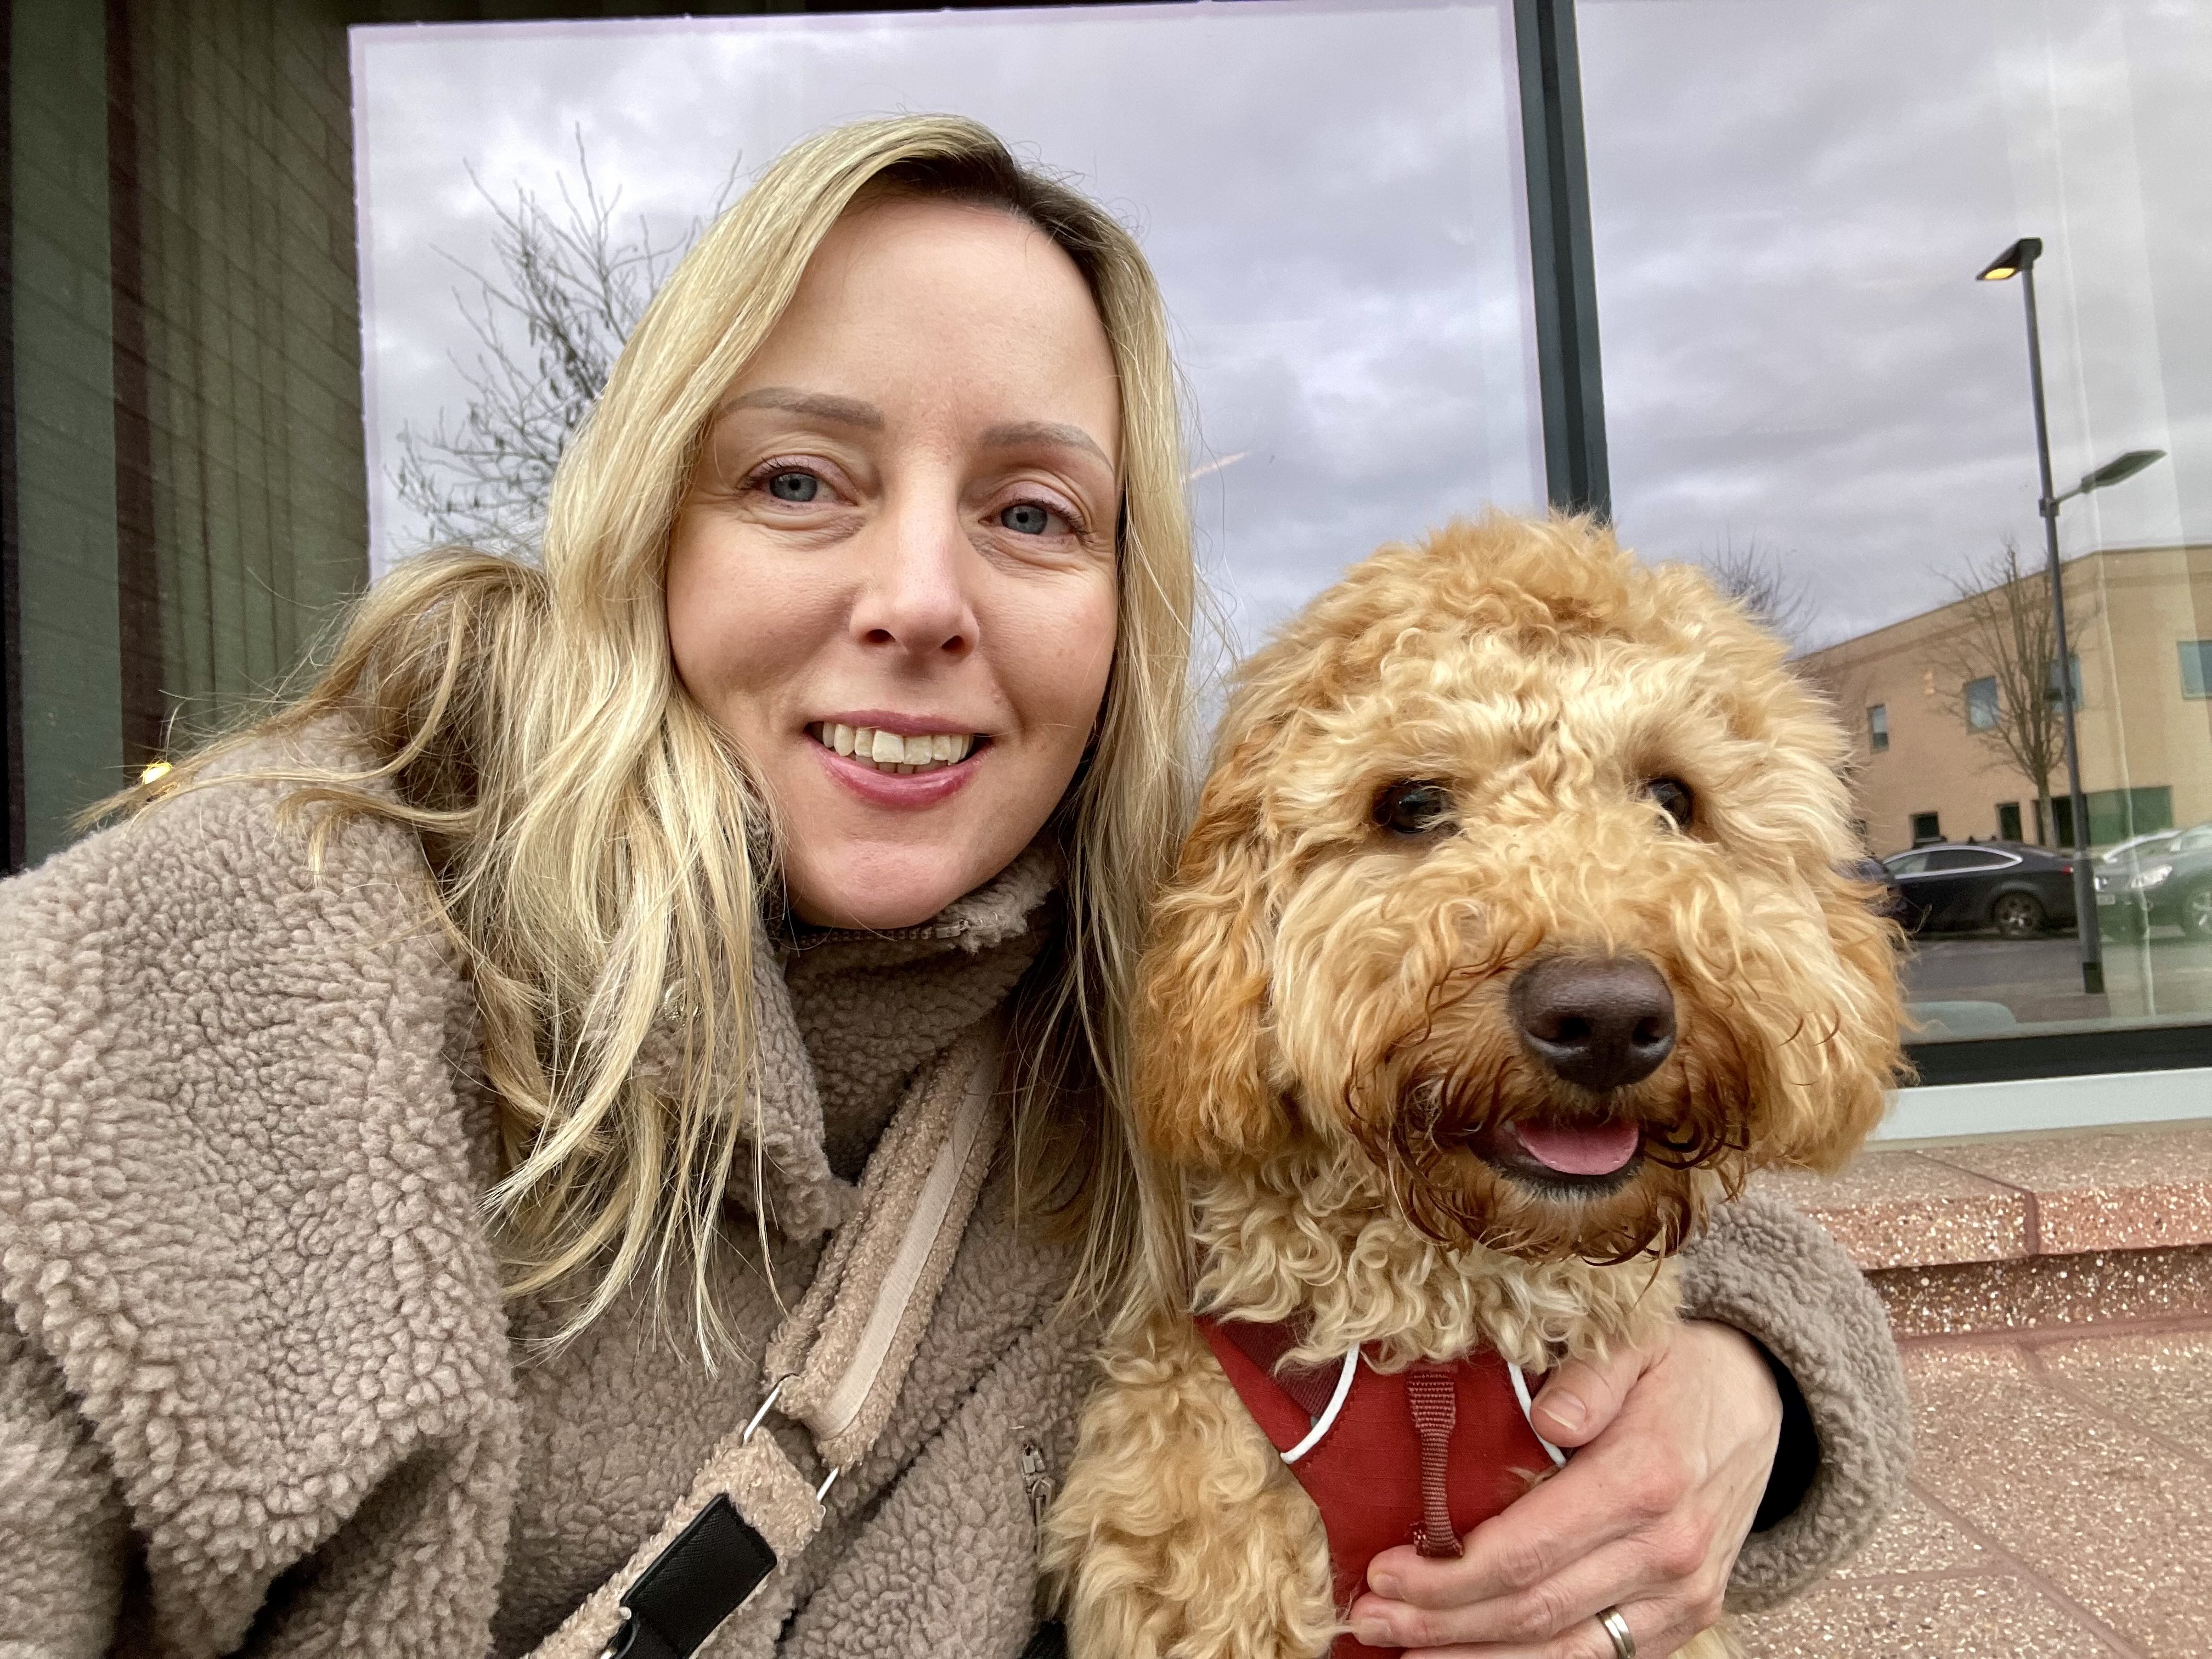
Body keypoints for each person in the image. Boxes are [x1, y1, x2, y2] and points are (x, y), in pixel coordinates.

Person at [0, 115, 1906, 1659]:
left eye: (1029, 513)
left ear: (1117, 607)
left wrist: (1752, 1368)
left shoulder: (1117, 968)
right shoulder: (249, 943)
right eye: (802, 481)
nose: (919, 598)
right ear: (644, 526)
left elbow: (1562, 1134)